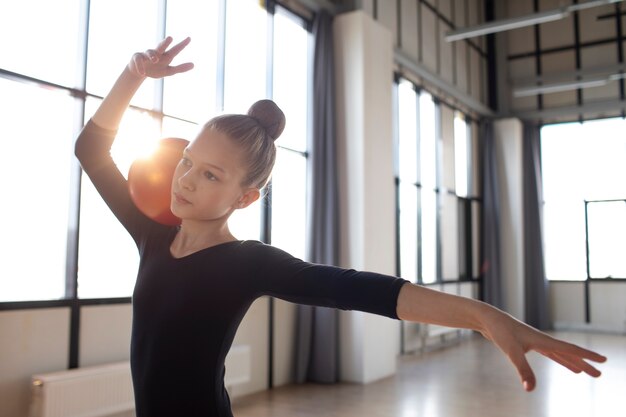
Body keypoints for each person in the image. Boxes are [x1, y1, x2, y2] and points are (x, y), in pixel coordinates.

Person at [74, 36, 606, 417]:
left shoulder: (246, 263)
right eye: (188, 160)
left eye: (209, 174)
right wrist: (133, 73)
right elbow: (92, 150)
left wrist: (485, 318)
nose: (185, 179)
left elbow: (359, 289)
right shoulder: (152, 234)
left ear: (246, 196)